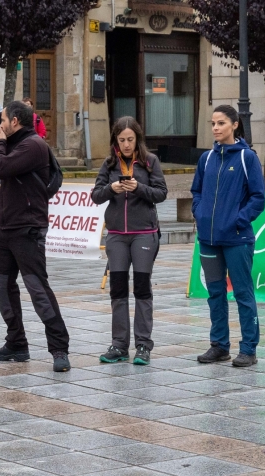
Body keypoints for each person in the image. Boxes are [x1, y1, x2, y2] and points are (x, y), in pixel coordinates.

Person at [0, 100, 71, 372]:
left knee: (37, 289)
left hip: (28, 229)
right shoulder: (14, 144)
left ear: (14, 121)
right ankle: (16, 343)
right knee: (3, 287)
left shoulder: (33, 145)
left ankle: (59, 348)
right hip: (5, 228)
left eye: (2, 120)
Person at [191, 104, 265, 368]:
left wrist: (238, 220)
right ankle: (219, 346)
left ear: (235, 125)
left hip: (237, 239)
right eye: (213, 123)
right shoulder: (207, 159)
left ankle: (248, 349)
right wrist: (200, 214)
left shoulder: (247, 158)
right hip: (209, 239)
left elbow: (259, 197)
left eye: (221, 123)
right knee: (215, 293)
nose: (215, 128)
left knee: (243, 293)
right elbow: (197, 191)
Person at [92, 117, 168, 366]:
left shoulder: (150, 162)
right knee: (118, 290)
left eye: (130, 139)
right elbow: (95, 195)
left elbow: (161, 193)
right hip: (116, 236)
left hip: (144, 233)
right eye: (121, 140)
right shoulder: (109, 163)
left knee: (143, 289)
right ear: (115, 140)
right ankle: (119, 345)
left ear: (137, 139)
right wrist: (112, 189)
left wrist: (138, 188)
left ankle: (144, 345)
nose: (126, 144)